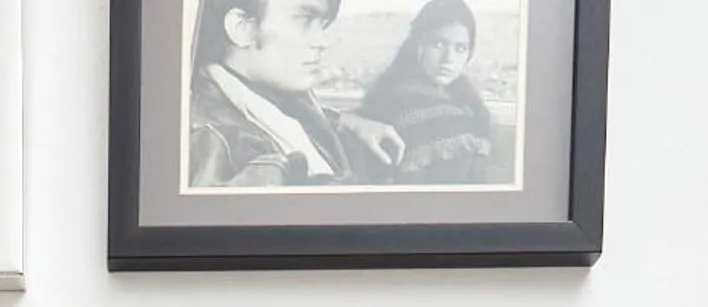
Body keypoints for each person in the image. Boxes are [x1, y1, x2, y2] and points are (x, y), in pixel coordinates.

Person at [188, 0, 405, 190]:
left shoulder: (267, 96)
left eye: (323, 24)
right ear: (242, 28)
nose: (324, 41)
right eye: (304, 20)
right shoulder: (212, 143)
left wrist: (345, 122)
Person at [358, 0, 498, 184]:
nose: (449, 59)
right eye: (439, 44)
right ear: (419, 44)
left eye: (460, 48)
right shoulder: (392, 101)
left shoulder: (469, 104)